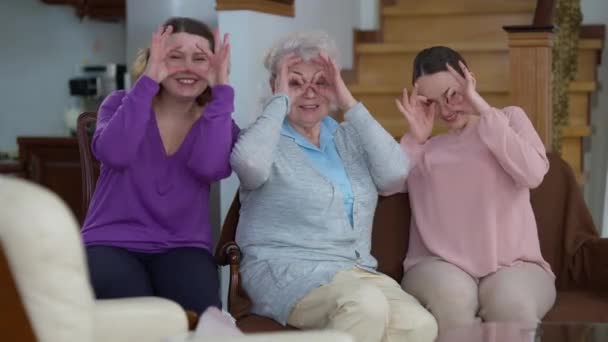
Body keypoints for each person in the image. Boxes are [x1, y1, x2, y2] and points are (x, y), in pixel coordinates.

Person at [230, 31, 438, 342]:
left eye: (321, 82)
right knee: (364, 307)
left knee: (420, 325)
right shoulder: (265, 137)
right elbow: (248, 166)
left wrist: (349, 102)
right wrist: (279, 102)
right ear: (277, 86)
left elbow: (395, 174)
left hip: (354, 272)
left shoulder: (348, 136)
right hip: (284, 271)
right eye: (296, 83)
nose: (310, 93)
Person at [81, 17, 239, 314]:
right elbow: (115, 153)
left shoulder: (219, 119)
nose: (187, 67)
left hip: (183, 246)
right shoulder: (118, 103)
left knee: (202, 319)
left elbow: (210, 167)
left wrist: (222, 92)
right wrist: (147, 82)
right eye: (174, 57)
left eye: (200, 58)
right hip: (110, 241)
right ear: (154, 60)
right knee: (139, 319)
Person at [397, 46, 556, 332]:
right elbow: (388, 185)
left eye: (453, 94)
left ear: (470, 80)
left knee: (512, 306)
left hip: (515, 264)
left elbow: (533, 173)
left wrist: (482, 109)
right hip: (438, 264)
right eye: (432, 102)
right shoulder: (424, 149)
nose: (446, 110)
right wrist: (414, 139)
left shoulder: (507, 120)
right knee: (452, 304)